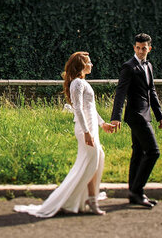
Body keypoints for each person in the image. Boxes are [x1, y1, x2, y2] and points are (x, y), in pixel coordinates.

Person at [14, 51, 116, 217]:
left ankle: (89, 198)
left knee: (95, 160)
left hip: (91, 127)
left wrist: (102, 124)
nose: (91, 65)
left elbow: (90, 108)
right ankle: (90, 200)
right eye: (88, 62)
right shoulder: (77, 83)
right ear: (81, 65)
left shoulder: (82, 82)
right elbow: (78, 109)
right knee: (91, 163)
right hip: (85, 129)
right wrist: (86, 132)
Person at [110, 33, 162, 208]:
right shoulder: (129, 67)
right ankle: (137, 190)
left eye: (144, 48)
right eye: (138, 48)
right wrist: (115, 117)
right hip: (136, 115)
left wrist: (159, 115)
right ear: (134, 48)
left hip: (146, 114)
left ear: (149, 49)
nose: (141, 51)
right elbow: (120, 92)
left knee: (139, 152)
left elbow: (152, 91)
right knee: (153, 152)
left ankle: (133, 193)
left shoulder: (148, 65)